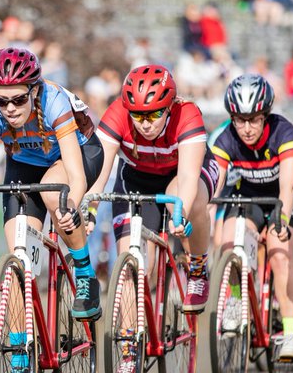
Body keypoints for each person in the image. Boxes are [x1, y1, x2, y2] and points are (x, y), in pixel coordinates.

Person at [0, 46, 103, 368]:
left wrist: (70, 208)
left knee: (53, 197)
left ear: (34, 90)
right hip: (25, 166)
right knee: (19, 258)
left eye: (18, 99)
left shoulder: (54, 101)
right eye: (3, 101)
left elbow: (74, 173)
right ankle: (19, 354)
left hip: (74, 157)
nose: (10, 108)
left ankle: (84, 271)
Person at [86, 65, 217, 369]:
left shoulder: (188, 114)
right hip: (135, 180)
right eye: (138, 115)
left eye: (154, 115)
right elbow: (100, 171)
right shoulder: (117, 113)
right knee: (133, 267)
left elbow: (185, 179)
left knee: (182, 202)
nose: (145, 124)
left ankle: (197, 267)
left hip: (182, 175)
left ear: (169, 107)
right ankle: (129, 345)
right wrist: (89, 208)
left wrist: (179, 213)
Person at [210, 74, 293, 360]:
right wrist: (204, 212)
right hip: (251, 196)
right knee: (229, 243)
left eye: (253, 119)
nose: (246, 128)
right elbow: (214, 185)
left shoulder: (284, 132)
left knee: (280, 254)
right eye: (239, 120)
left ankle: (291, 333)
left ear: (266, 115)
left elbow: (288, 187)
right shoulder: (225, 138)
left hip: (291, 197)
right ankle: (234, 302)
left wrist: (280, 222)